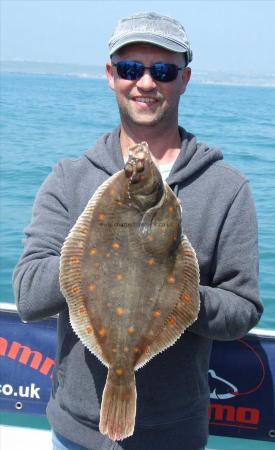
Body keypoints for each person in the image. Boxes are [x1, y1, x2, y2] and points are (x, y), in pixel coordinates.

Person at [13, 11, 263, 450]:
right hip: (75, 434)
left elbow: (243, 310)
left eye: (162, 70)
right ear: (111, 76)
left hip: (176, 436)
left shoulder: (226, 188)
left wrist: (176, 295)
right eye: (131, 69)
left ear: (184, 79)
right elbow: (29, 297)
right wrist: (91, 255)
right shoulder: (69, 178)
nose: (145, 83)